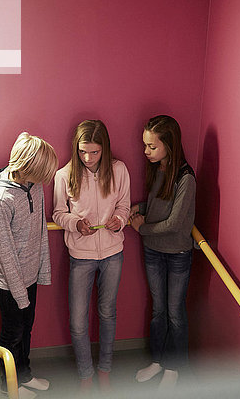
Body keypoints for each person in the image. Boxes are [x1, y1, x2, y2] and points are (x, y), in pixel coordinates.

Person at [52, 120, 130, 393]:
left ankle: (105, 370)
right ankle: (86, 373)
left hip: (112, 254)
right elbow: (58, 213)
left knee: (108, 313)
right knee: (78, 319)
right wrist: (75, 223)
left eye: (94, 152)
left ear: (104, 149)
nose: (88, 158)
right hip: (80, 255)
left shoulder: (119, 170)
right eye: (83, 151)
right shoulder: (64, 175)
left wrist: (119, 220)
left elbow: (124, 206)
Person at [0, 132, 58, 399]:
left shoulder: (35, 186)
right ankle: (6, 387)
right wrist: (19, 294)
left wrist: (43, 270)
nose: (44, 180)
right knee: (12, 333)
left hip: (30, 276)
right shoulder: (1, 200)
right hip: (9, 283)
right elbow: (4, 252)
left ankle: (24, 374)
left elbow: (41, 229)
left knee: (27, 328)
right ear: (27, 167)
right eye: (41, 173)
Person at [129, 115, 196, 389]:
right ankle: (158, 361)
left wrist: (141, 228)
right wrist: (140, 208)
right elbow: (160, 205)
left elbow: (174, 223)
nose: (146, 152)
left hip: (177, 253)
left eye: (152, 147)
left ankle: (174, 367)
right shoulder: (159, 169)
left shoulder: (186, 178)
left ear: (169, 145)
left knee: (175, 312)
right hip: (153, 252)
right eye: (145, 145)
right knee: (158, 310)